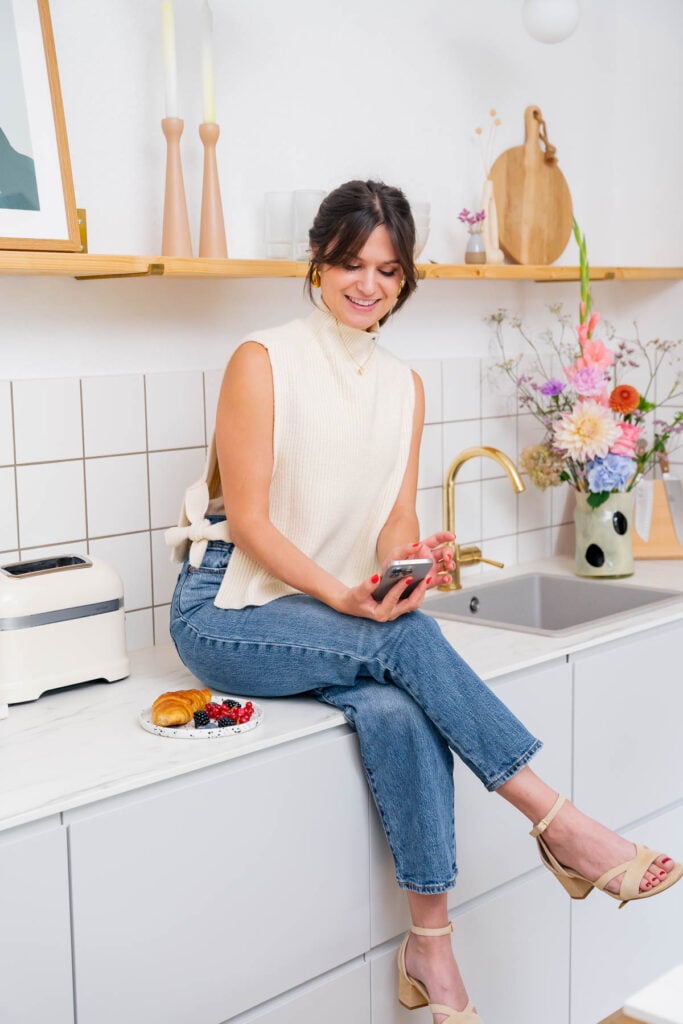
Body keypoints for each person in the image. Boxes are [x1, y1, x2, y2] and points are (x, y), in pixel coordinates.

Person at [166, 179, 682, 1024]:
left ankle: (431, 956)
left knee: (399, 711)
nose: (367, 284)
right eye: (350, 263)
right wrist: (347, 596)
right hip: (226, 609)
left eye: (388, 269)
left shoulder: (403, 385)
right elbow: (251, 523)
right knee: (402, 647)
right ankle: (564, 827)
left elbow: (392, 519)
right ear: (318, 260)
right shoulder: (261, 360)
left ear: (405, 281)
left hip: (324, 620)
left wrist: (411, 561)